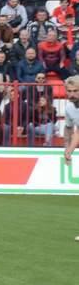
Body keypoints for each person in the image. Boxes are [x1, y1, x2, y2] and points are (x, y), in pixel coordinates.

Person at [65, 76, 79, 240]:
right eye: (69, 91)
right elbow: (70, 129)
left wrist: (71, 148)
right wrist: (67, 148)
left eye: (76, 91)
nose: (72, 94)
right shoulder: (69, 108)